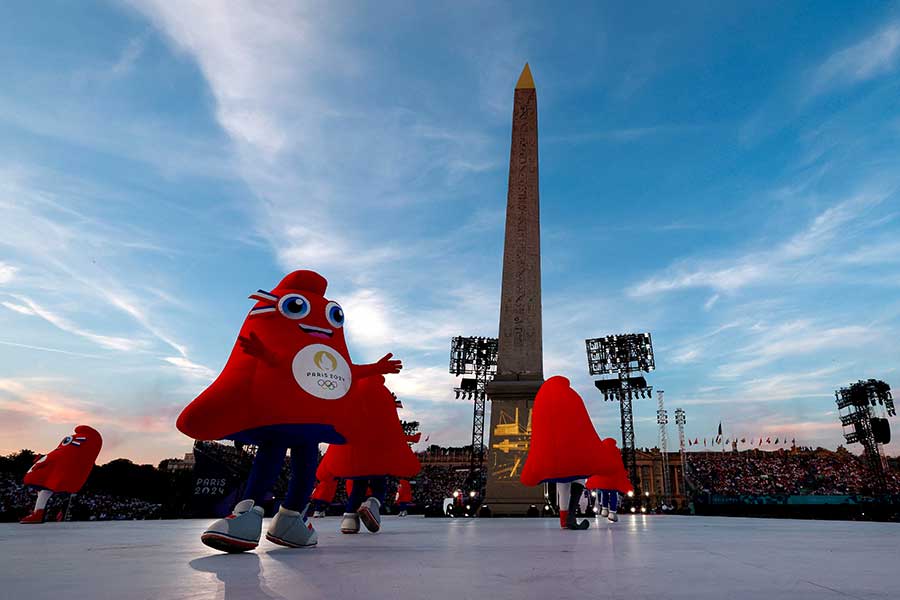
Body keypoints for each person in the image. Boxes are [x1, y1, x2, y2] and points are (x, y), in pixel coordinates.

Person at [177, 271, 402, 552]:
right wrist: (262, 352)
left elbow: (344, 372)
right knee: (278, 458)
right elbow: (285, 361)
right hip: (286, 420)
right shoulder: (293, 340)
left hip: (309, 422)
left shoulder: (326, 354)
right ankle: (253, 514)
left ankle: (287, 517)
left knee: (302, 467)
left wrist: (375, 369)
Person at [315, 378, 420, 534]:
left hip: (356, 458)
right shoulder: (381, 406)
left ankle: (349, 519)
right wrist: (408, 442)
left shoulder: (350, 406)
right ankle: (372, 502)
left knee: (358, 486)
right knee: (379, 485)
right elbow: (394, 433)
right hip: (377, 455)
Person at [520, 376, 622, 530]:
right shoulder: (572, 396)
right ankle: (571, 516)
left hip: (556, 457)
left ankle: (563, 520)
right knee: (580, 479)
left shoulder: (543, 400)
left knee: (563, 488)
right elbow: (584, 424)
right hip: (574, 451)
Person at [20, 426, 102, 524]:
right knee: (44, 492)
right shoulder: (70, 452)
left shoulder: (64, 452)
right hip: (56, 478)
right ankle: (38, 513)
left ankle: (39, 514)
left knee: (44, 492)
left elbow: (49, 459)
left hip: (55, 478)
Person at [586, 438, 632, 524]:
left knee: (604, 493)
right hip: (613, 480)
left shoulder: (601, 453)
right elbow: (619, 465)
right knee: (614, 495)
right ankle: (612, 512)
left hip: (603, 480)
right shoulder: (615, 452)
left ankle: (604, 509)